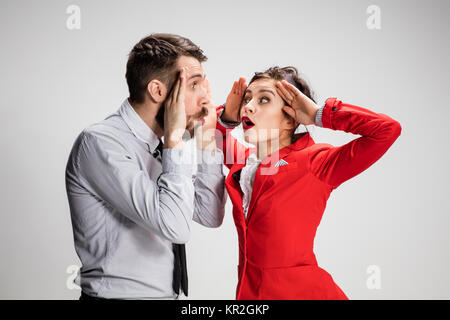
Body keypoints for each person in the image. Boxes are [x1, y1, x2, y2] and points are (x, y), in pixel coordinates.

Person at [216, 66, 402, 299]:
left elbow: (387, 130)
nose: (249, 106)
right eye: (247, 99)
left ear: (290, 116)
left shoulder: (316, 161)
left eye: (264, 99)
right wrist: (227, 116)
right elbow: (215, 134)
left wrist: (319, 115)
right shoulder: (244, 163)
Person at [65, 33, 226, 300]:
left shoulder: (161, 145)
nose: (206, 99)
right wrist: (174, 140)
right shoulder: (101, 143)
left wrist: (207, 138)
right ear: (158, 91)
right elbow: (175, 227)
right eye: (194, 85)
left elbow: (209, 214)